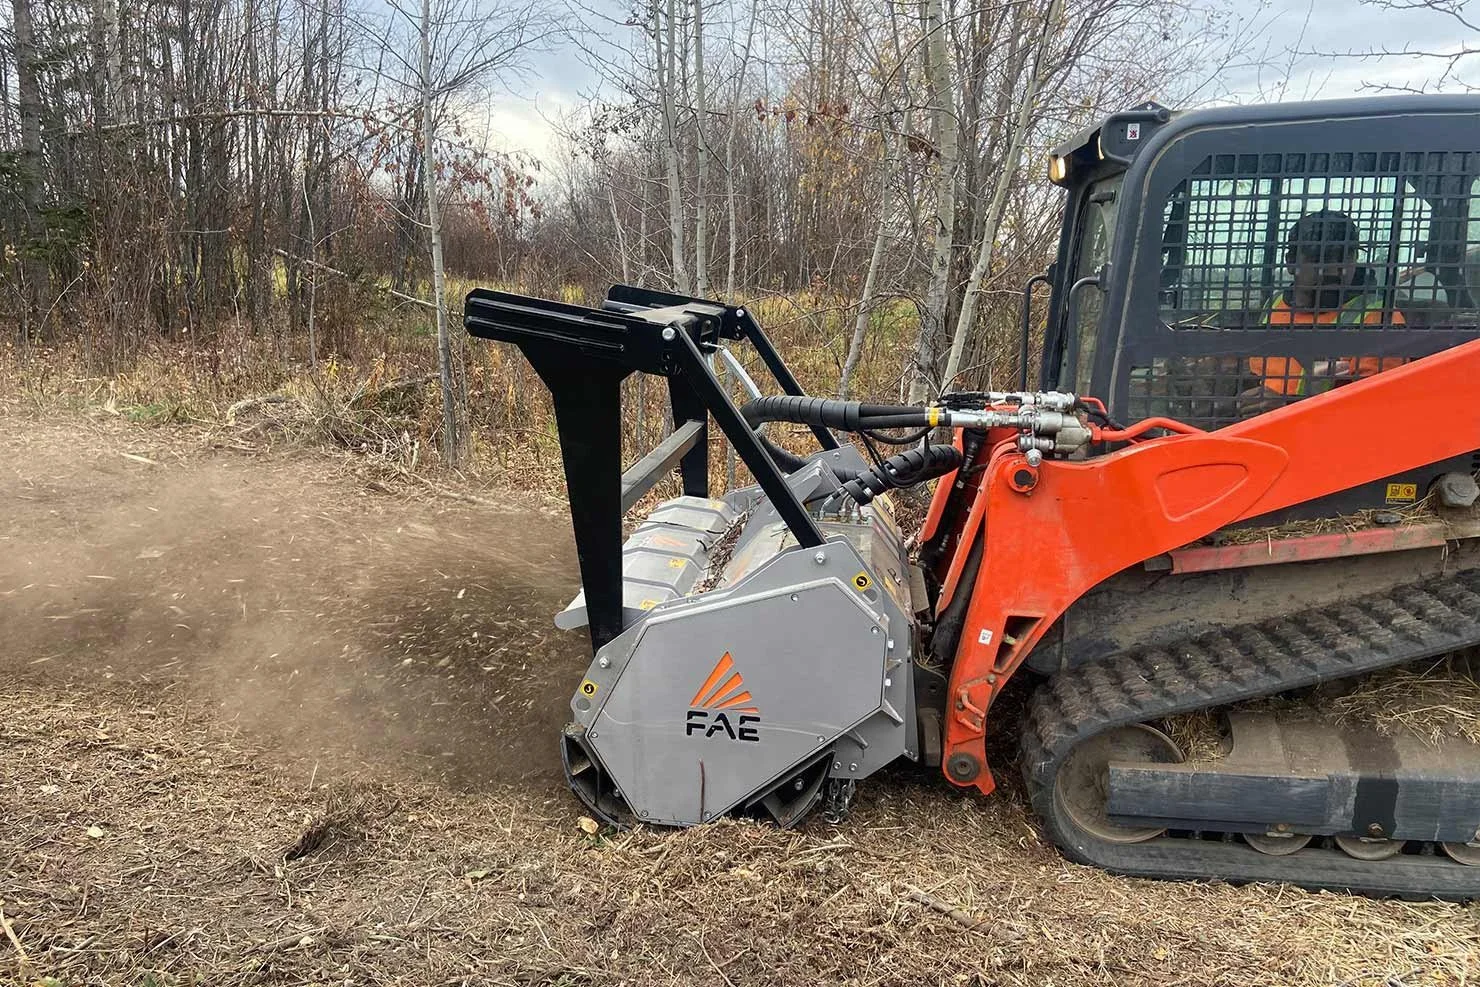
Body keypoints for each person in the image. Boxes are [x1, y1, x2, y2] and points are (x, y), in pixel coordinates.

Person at [1239, 209, 1407, 415]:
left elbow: (1376, 406)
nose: (1333, 269)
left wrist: (1287, 405)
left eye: (1343, 257)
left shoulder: (1380, 317)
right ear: (1291, 261)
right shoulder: (1275, 305)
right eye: (1320, 257)